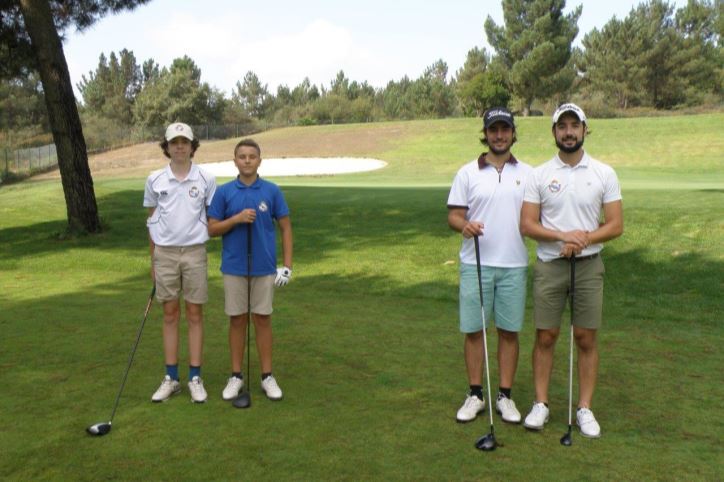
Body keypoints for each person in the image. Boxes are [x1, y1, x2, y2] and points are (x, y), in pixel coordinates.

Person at [520, 103, 623, 438]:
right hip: (551, 265)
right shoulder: (538, 174)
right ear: (554, 132)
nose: (568, 132)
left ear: (584, 130)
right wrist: (563, 236)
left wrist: (583, 240)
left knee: (585, 337)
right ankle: (540, 403)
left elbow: (616, 224)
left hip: (589, 265)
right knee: (546, 335)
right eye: (561, 126)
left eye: (574, 126)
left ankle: (584, 409)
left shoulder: (604, 173)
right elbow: (528, 225)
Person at [447, 107, 533, 424]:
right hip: (476, 262)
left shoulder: (528, 173)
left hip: (513, 264)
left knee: (509, 331)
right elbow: (454, 215)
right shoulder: (468, 172)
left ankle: (505, 397)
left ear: (512, 133)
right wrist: (464, 225)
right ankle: (475, 394)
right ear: (486, 133)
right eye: (493, 130)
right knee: (474, 330)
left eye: (505, 129)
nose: (499, 135)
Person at [207, 138, 293, 402]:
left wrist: (287, 266)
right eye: (242, 156)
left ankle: (267, 376)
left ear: (259, 160)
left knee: (263, 319)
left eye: (251, 156)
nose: (247, 160)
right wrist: (236, 219)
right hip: (234, 266)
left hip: (264, 266)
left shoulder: (271, 190)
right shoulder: (224, 192)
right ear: (235, 161)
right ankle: (236, 375)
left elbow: (286, 227)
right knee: (236, 319)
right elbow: (211, 229)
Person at [143, 122, 217, 403]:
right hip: (165, 253)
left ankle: (194, 377)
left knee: (195, 314)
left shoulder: (206, 179)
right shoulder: (154, 180)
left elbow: (213, 218)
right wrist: (154, 261)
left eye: (184, 141)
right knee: (170, 314)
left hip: (195, 251)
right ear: (167, 147)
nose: (179, 147)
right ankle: (171, 378)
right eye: (174, 142)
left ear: (192, 145)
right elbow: (151, 222)